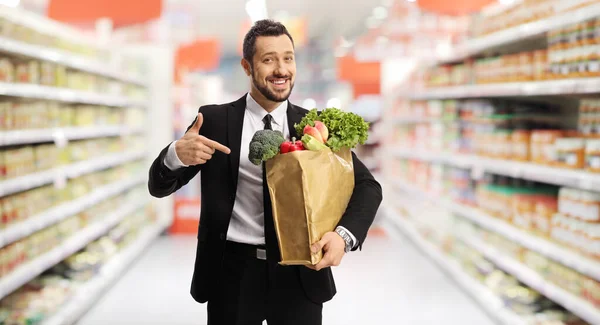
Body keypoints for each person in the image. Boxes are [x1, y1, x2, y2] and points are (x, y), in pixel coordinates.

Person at [148, 19, 382, 325]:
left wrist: (342, 236)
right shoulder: (215, 121)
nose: (281, 70)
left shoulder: (314, 126)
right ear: (247, 66)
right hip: (231, 274)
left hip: (301, 272)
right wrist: (175, 155)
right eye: (269, 59)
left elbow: (367, 186)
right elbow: (158, 185)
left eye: (288, 58)